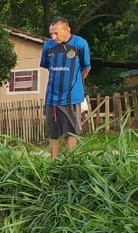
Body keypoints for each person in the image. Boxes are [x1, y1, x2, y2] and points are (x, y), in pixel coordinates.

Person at [40, 17, 91, 159]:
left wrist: (75, 84)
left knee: (71, 133)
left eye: (56, 33)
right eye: (51, 33)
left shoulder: (80, 44)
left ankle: (70, 163)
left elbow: (86, 68)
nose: (53, 37)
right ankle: (53, 164)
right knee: (54, 133)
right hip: (51, 97)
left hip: (71, 97)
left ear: (67, 30)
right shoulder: (48, 46)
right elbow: (47, 66)